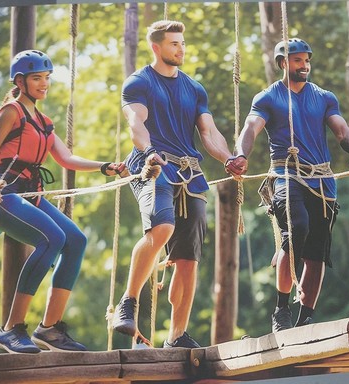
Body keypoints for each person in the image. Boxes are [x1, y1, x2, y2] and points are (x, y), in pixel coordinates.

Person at [0, 50, 126, 353]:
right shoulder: (11, 112)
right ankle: (10, 329)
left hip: (31, 194)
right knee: (51, 239)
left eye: (46, 78)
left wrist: (104, 167)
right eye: (37, 78)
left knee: (75, 240)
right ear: (20, 81)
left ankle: (50, 329)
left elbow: (66, 158)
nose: (44, 84)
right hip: (0, 194)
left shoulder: (44, 121)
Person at [112, 20, 244, 348]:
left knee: (189, 258)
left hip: (191, 173)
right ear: (156, 47)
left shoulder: (194, 88)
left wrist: (228, 158)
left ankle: (177, 335)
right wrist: (151, 151)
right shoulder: (138, 83)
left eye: (182, 43)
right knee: (162, 228)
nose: (180, 48)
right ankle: (128, 302)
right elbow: (136, 124)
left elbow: (209, 133)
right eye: (174, 43)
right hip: (152, 166)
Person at [233, 38, 349, 333]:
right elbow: (251, 127)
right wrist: (241, 155)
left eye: (307, 60)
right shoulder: (268, 97)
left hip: (321, 180)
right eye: (298, 60)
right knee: (296, 229)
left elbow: (341, 130)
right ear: (283, 63)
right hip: (287, 175)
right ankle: (282, 309)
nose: (304, 65)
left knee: (317, 252)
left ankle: (306, 316)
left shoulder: (323, 97)